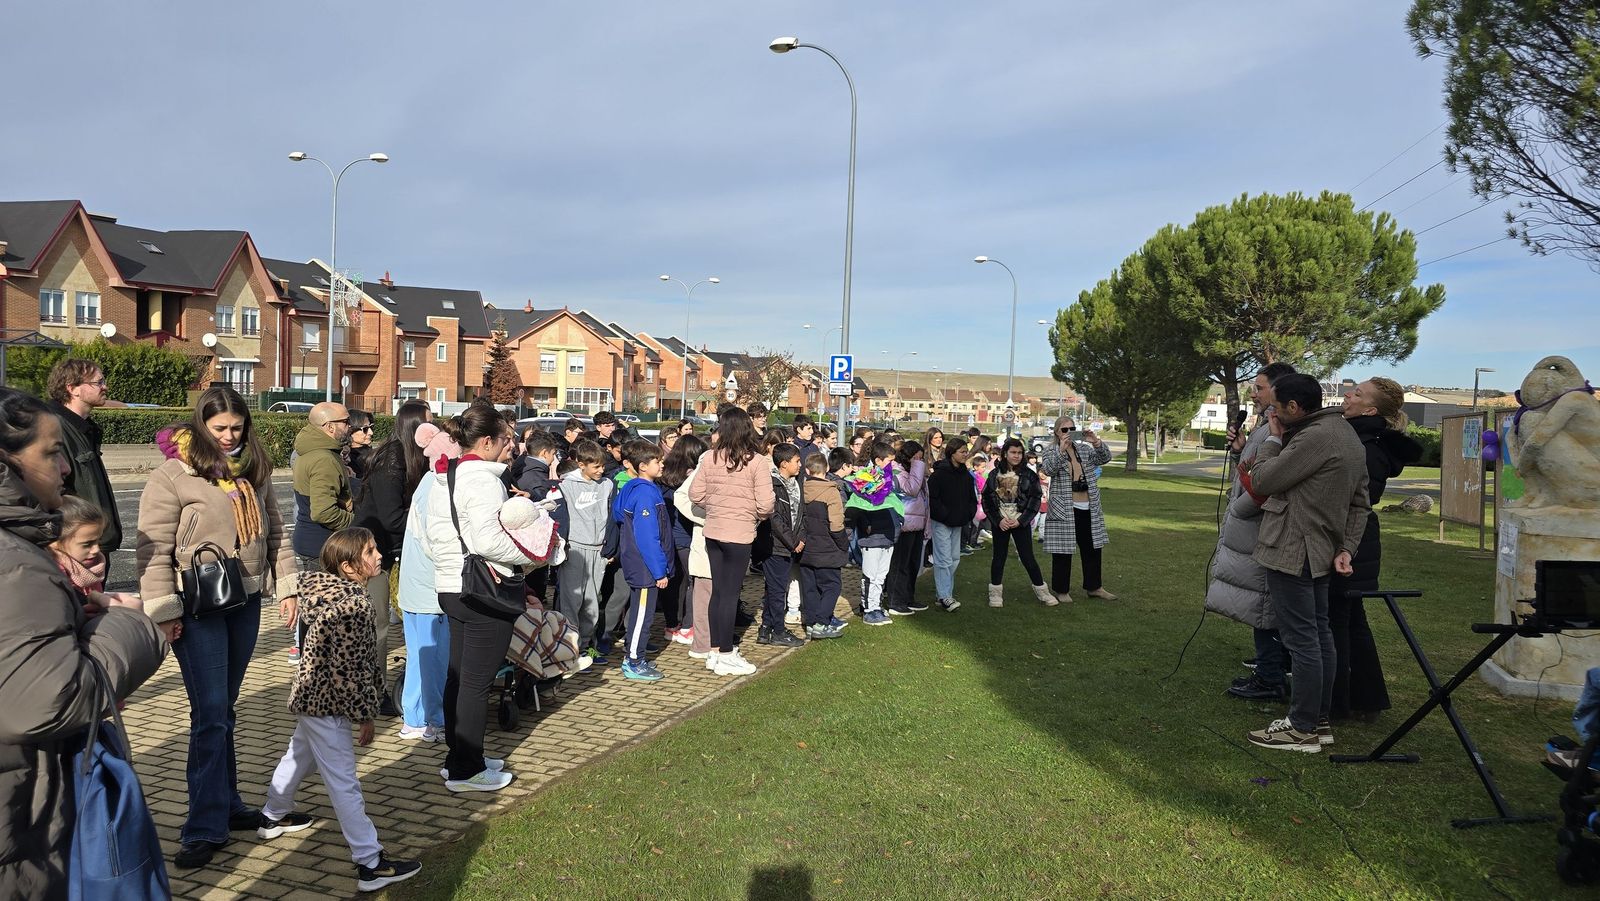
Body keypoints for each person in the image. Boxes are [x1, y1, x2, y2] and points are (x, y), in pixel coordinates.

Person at [0, 387, 166, 898]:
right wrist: (130, 624)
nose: (66, 467)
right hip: (19, 817)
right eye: (51, 452)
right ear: (7, 461)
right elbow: (51, 699)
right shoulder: (17, 563)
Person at [137, 385, 298, 869]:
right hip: (197, 605)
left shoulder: (256, 469)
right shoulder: (174, 475)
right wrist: (164, 613)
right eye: (220, 428)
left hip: (245, 600)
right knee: (209, 715)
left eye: (238, 427)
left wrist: (287, 585)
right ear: (201, 426)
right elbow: (153, 550)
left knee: (223, 711)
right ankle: (203, 826)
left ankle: (227, 807)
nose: (230, 437)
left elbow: (275, 529)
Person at [259, 527, 422, 892]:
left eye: (376, 548)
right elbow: (351, 670)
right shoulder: (353, 605)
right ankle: (370, 862)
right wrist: (365, 716)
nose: (379, 555)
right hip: (327, 703)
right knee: (344, 782)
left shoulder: (319, 591)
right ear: (349, 567)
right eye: (370, 551)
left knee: (298, 754)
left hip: (309, 697)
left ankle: (272, 814)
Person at [1241, 373, 1371, 753]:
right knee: (1318, 636)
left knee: (1302, 641)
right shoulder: (1345, 433)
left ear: (1294, 408)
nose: (1272, 413)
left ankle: (1301, 729)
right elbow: (1360, 502)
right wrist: (1346, 547)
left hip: (1294, 550)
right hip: (1321, 551)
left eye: (1276, 407)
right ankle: (1318, 720)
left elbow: (1263, 479)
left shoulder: (1316, 437)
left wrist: (1273, 439)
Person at [424, 405, 535, 791]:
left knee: (459, 676)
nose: (512, 446)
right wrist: (539, 552)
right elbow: (489, 540)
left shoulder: (446, 476)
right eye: (508, 440)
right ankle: (466, 772)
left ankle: (459, 756)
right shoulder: (484, 480)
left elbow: (426, 532)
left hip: (451, 586)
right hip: (482, 588)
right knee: (475, 682)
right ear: (487, 442)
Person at [1329, 376, 1420, 721]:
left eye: (1357, 393)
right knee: (1351, 621)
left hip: (1350, 542)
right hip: (1355, 541)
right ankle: (1366, 700)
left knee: (1339, 621)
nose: (1347, 395)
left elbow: (1355, 499)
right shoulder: (1362, 437)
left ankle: (1338, 701)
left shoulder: (1366, 446)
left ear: (1370, 409)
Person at [1206, 363, 1297, 702]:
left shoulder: (1281, 428)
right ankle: (1272, 666)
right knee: (1260, 601)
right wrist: (1238, 450)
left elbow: (1266, 483)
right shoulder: (1265, 425)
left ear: (1278, 389)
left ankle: (1270, 674)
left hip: (1260, 527)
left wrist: (1239, 510)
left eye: (1259, 388)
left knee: (1263, 604)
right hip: (1250, 525)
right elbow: (1250, 470)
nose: (1253, 394)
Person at [353, 400, 432, 717]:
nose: (434, 428)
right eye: (429, 422)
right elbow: (390, 517)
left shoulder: (413, 458)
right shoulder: (393, 458)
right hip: (370, 551)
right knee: (377, 626)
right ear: (415, 426)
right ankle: (372, 694)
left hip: (389, 549)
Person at [688, 405, 774, 676]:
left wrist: (714, 507)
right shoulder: (757, 462)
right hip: (738, 533)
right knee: (729, 593)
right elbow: (766, 504)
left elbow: (695, 494)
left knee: (718, 593)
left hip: (714, 532)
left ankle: (715, 650)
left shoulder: (710, 457)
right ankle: (724, 652)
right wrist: (752, 514)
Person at [396, 422, 462, 741]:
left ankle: (416, 717)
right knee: (432, 659)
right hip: (429, 591)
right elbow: (442, 545)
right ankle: (431, 719)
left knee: (421, 655)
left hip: (419, 588)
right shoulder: (439, 488)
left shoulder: (429, 481)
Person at [290, 401, 353, 663]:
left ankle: (312, 668)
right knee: (323, 618)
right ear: (329, 427)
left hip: (312, 542)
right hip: (322, 546)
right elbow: (323, 512)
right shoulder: (324, 459)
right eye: (345, 422)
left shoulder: (314, 451)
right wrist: (353, 520)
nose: (350, 426)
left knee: (314, 613)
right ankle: (318, 673)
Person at [44, 357, 123, 562]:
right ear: (73, 388)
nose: (105, 386)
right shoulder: (53, 428)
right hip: (74, 549)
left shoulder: (85, 429)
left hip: (91, 545)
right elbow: (51, 492)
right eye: (98, 382)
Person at [1038, 417, 1116, 604]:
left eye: (1072, 429)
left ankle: (1094, 587)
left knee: (1092, 548)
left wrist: (1096, 441)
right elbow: (1047, 470)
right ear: (1057, 432)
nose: (1069, 432)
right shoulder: (1051, 451)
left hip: (1088, 506)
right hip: (1065, 507)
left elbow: (1105, 458)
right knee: (1063, 551)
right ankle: (1061, 590)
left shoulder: (1085, 449)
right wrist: (1061, 451)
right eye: (1064, 429)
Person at [614, 441, 673, 682]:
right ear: (642, 466)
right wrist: (659, 571)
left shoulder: (634, 487)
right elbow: (649, 537)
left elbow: (618, 514)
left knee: (641, 612)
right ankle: (634, 660)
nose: (662, 464)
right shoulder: (646, 493)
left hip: (638, 561)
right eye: (657, 461)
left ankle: (635, 653)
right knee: (642, 615)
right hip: (645, 566)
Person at [557, 439, 613, 658]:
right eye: (596, 466)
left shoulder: (607, 485)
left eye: (602, 465)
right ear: (581, 464)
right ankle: (569, 645)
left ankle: (586, 643)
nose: (601, 470)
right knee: (572, 599)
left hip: (598, 549)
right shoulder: (566, 485)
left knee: (592, 598)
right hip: (575, 549)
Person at [982, 438, 1054, 607]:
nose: (1016, 456)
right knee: (999, 557)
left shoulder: (1029, 474)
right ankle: (995, 593)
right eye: (1013, 452)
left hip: (1019, 521)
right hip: (1001, 522)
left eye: (1019, 453)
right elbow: (987, 499)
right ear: (1005, 454)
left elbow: (1035, 499)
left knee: (1028, 557)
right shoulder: (994, 474)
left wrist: (1022, 520)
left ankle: (1042, 591)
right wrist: (998, 520)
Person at [844, 442, 902, 625]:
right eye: (889, 461)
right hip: (873, 536)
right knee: (870, 574)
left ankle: (876, 605)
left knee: (881, 574)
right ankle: (868, 609)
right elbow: (858, 507)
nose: (892, 466)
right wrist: (867, 524)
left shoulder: (889, 479)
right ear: (878, 460)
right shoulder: (865, 479)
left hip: (888, 533)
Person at [669, 435, 715, 656]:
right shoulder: (689, 476)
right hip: (686, 535)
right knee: (693, 584)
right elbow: (683, 499)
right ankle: (687, 626)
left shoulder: (669, 473)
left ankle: (675, 623)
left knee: (683, 582)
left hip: (682, 535)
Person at [759, 444, 808, 645]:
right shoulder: (772, 484)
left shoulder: (796, 483)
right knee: (778, 590)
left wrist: (802, 537)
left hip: (791, 544)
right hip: (776, 545)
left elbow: (802, 514)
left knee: (775, 588)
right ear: (784, 463)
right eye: (797, 461)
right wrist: (792, 541)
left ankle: (766, 628)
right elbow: (775, 518)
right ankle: (778, 631)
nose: (800, 465)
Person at [798, 453, 848, 640]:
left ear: (807, 470)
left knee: (809, 587)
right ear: (826, 469)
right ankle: (821, 622)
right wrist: (843, 544)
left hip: (806, 548)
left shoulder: (801, 489)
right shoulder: (831, 491)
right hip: (827, 548)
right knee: (832, 586)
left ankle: (811, 623)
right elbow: (836, 524)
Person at [926, 437, 976, 612]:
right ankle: (945, 595)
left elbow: (972, 498)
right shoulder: (939, 475)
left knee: (954, 558)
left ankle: (944, 593)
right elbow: (933, 499)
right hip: (942, 522)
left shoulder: (966, 476)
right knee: (943, 559)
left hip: (959, 522)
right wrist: (944, 515)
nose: (965, 454)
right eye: (962, 451)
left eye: (965, 451)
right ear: (952, 453)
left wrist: (968, 513)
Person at [883, 440, 927, 617]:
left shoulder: (914, 471)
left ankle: (908, 597)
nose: (919, 461)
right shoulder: (897, 471)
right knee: (900, 564)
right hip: (904, 525)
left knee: (913, 564)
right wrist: (917, 465)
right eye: (917, 458)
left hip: (917, 524)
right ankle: (895, 601)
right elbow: (912, 490)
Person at [50, 495, 110, 599]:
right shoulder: (53, 574)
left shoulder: (93, 567)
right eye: (87, 544)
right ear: (55, 542)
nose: (97, 550)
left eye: (98, 540)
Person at [345, 409, 375, 482]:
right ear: (351, 430)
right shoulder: (345, 458)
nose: (371, 432)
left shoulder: (373, 453)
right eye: (365, 429)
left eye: (371, 427)